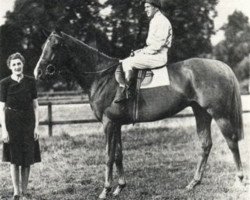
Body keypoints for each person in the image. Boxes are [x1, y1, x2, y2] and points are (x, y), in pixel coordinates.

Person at [0, 52, 41, 200]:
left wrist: (36, 127)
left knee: (27, 159)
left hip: (28, 122)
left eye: (19, 64)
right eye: (14, 64)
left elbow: (36, 106)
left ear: (23, 64)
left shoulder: (30, 82)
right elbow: (1, 108)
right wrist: (4, 130)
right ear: (10, 67)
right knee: (14, 159)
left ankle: (24, 192)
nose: (17, 67)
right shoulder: (4, 83)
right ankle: (16, 192)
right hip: (12, 122)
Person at [114, 0, 172, 103]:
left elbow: (157, 45)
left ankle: (128, 92)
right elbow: (152, 46)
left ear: (156, 7)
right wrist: (139, 52)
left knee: (128, 62)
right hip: (154, 53)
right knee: (126, 60)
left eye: (148, 7)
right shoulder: (155, 20)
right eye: (145, 7)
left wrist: (143, 53)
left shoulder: (162, 21)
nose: (145, 10)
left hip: (158, 56)